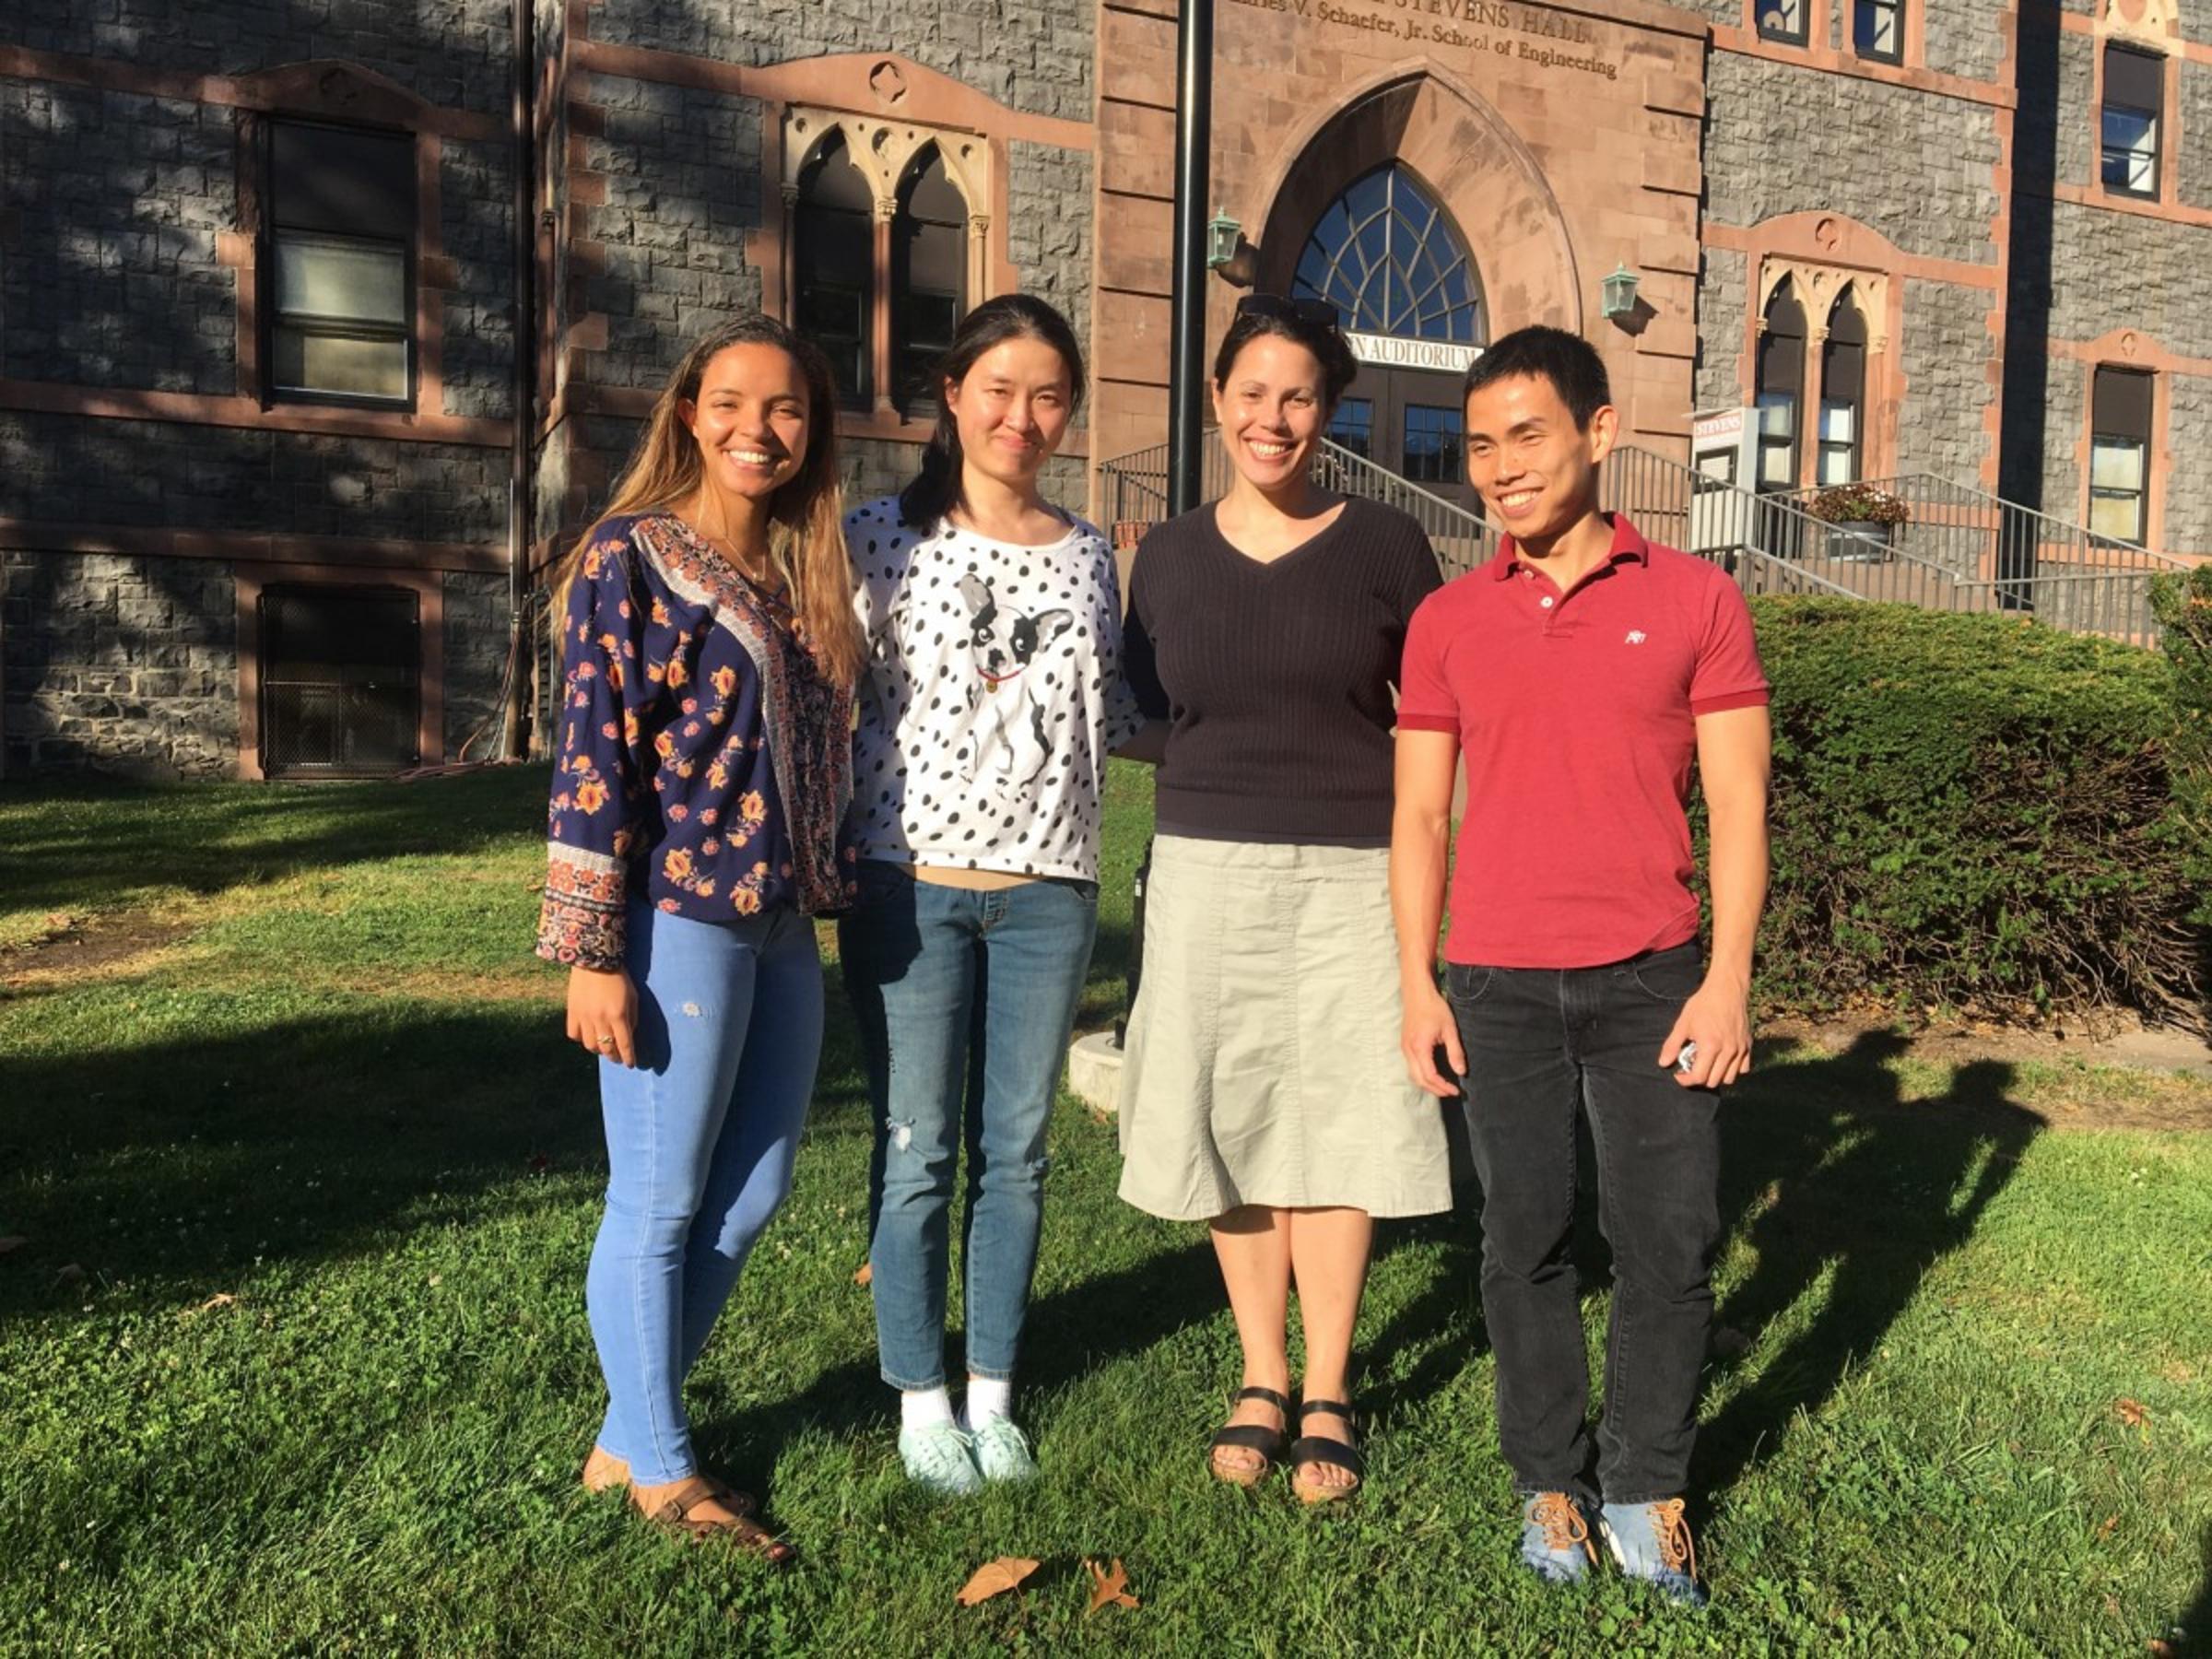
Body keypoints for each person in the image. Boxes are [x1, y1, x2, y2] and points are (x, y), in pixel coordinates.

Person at [1391, 325, 1771, 1604]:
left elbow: (1740, 806)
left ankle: (1646, 1485)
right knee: (1524, 1241)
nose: (1500, 466)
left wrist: (1728, 981)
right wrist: (1415, 982)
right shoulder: (1448, 619)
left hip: (1654, 977)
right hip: (1495, 980)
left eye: (1528, 435)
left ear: (1600, 434)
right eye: (1482, 443)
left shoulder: (1697, 601)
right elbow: (1420, 817)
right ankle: (1548, 1478)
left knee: (1668, 1243)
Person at [1116, 294, 1454, 1504]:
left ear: (1330, 412)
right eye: (1253, 392)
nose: (1274, 417)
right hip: (1207, 869)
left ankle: (1329, 1386)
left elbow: (1437, 715)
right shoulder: (1164, 557)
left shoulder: (1388, 547)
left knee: (1342, 1123)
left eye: (1300, 396)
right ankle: (1261, 1374)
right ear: (1218, 402)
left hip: (1355, 876)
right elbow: (1141, 711)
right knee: (1234, 1117)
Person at [535, 314, 864, 1559]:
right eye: (731, 403)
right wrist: (593, 952)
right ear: (689, 413)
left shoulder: (795, 577)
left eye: (785, 409)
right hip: (674, 920)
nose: (756, 429)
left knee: (756, 1189)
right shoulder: (635, 556)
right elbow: (591, 755)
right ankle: (666, 1470)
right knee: (662, 1198)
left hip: (779, 924)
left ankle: (630, 1424)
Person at [839, 294, 1147, 1494]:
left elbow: (1110, 713)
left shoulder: (1088, 553)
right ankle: (920, 1396)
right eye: (999, 390)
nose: (1023, 416)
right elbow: (841, 699)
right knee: (918, 1150)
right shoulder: (879, 538)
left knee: (1015, 1155)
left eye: (1049, 395)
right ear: (954, 397)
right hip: (908, 887)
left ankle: (994, 1393)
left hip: (1049, 896)